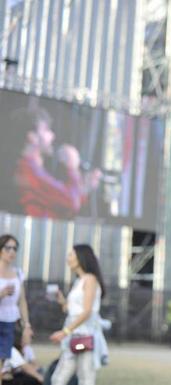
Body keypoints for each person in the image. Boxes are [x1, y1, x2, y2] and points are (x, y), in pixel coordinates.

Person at [9, 107, 101, 218]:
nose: (52, 136)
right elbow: (71, 202)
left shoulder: (31, 168)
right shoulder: (28, 171)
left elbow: (63, 205)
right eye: (47, 130)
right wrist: (72, 168)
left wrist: (84, 188)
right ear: (32, 137)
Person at [49, 245, 108, 385]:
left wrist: (65, 332)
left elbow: (87, 311)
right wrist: (63, 301)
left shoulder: (90, 280)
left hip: (84, 337)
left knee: (86, 377)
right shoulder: (79, 281)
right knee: (58, 378)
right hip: (74, 336)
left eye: (71, 255)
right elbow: (74, 310)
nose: (68, 258)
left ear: (80, 257)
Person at [0, 235, 33, 385]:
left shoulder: (18, 273)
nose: (12, 252)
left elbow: (22, 301)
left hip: (9, 322)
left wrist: (26, 324)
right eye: (8, 248)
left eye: (15, 248)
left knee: (2, 363)